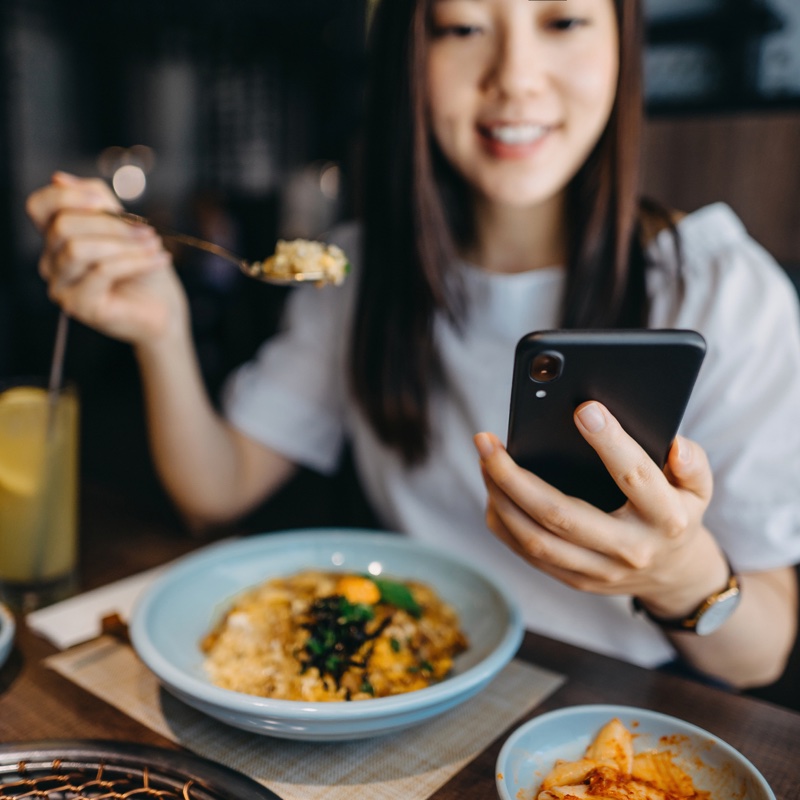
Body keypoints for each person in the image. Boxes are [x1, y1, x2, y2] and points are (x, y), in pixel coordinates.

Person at [26, 0, 799, 689]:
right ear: (410, 55)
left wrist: (681, 577)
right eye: (462, 26)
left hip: (607, 716)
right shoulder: (363, 275)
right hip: (409, 690)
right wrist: (161, 329)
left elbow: (763, 653)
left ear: (624, 43)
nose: (515, 77)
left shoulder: (722, 289)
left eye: (562, 21)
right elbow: (215, 488)